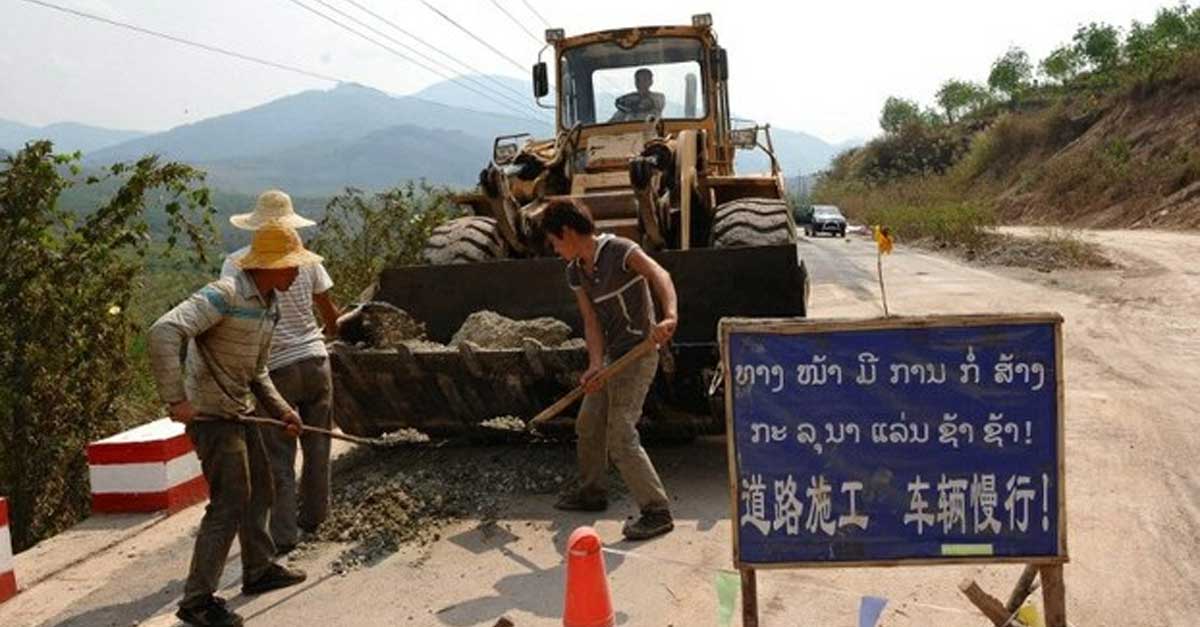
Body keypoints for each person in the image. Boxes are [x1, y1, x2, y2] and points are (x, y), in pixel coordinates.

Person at [150, 224, 318, 627]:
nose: (297, 274)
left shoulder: (267, 304)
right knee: (228, 503)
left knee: (262, 487)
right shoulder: (224, 294)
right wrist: (176, 399)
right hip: (212, 418)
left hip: (239, 411)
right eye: (292, 266)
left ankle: (258, 569)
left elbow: (258, 370)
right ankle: (197, 601)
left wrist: (281, 411)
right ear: (271, 266)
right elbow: (164, 331)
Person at [543, 199, 677, 541]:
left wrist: (669, 316)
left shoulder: (619, 250)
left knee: (620, 433)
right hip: (611, 359)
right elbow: (591, 321)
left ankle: (656, 510)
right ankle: (592, 493)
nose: (555, 248)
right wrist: (594, 365)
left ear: (569, 232)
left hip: (639, 354)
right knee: (588, 424)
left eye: (555, 241)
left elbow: (660, 274)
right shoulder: (575, 270)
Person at [222, 189, 339, 554]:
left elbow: (231, 316)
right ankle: (316, 517)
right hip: (316, 362)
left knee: (278, 457)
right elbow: (328, 311)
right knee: (318, 444)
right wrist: (331, 337)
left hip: (275, 370)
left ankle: (285, 534)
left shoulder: (237, 263)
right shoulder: (306, 261)